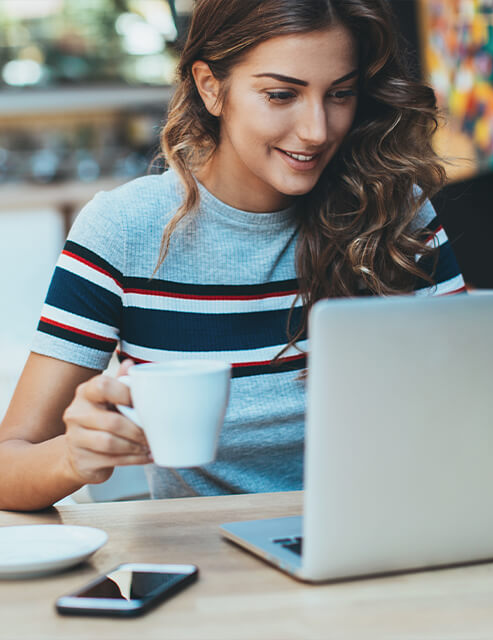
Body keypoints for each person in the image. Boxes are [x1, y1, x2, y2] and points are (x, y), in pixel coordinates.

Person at [0, 0, 465, 511]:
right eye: (281, 94)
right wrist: (74, 455)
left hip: (382, 542)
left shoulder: (397, 215)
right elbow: (7, 465)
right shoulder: (125, 230)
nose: (316, 129)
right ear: (210, 87)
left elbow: (475, 405)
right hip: (208, 570)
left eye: (340, 94)